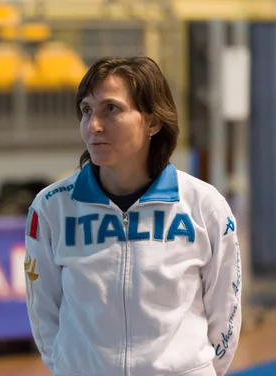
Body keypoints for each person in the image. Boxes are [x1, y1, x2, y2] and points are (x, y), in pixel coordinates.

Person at [24, 56, 242, 376]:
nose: (93, 125)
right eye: (87, 110)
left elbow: (226, 310)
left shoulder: (204, 205)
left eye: (111, 109)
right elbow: (43, 311)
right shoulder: (51, 208)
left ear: (153, 122)